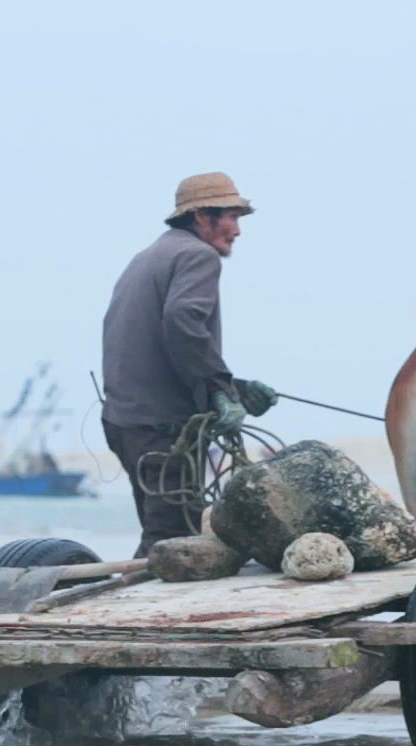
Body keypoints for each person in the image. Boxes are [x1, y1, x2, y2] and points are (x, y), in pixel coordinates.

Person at [100, 172, 280, 556]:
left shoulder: (149, 257)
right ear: (201, 216)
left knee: (166, 531)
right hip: (160, 428)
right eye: (230, 217)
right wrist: (218, 389)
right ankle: (132, 616)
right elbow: (182, 322)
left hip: (127, 422)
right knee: (172, 542)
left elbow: (162, 345)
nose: (237, 230)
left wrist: (237, 390)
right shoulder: (198, 256)